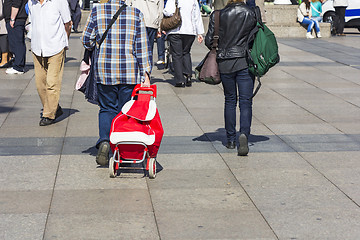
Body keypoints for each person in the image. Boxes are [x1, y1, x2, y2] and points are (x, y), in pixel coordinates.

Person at [82, 0, 152, 166]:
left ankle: (105, 141)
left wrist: (98, 42)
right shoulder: (135, 13)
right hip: (129, 72)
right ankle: (123, 147)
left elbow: (86, 40)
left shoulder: (96, 11)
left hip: (105, 70)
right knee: (126, 111)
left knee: (106, 108)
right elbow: (142, 46)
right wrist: (146, 73)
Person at [205, 0, 256, 156]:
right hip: (244, 61)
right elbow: (256, 38)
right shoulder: (250, 13)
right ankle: (244, 135)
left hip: (225, 63)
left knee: (230, 100)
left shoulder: (218, 15)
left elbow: (209, 41)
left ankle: (231, 139)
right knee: (246, 101)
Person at [28, 0, 72, 126]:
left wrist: (64, 43)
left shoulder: (59, 2)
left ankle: (49, 114)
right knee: (40, 84)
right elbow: (32, 22)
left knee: (52, 83)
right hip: (37, 48)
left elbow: (67, 24)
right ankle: (55, 108)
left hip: (56, 47)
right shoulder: (32, 3)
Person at [163, 0, 204, 87]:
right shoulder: (193, 1)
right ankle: (188, 74)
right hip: (190, 31)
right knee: (186, 52)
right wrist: (199, 32)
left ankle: (180, 79)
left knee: (177, 55)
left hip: (176, 30)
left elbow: (168, 11)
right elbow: (197, 16)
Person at [3, 0, 27, 74]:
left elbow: (16, 3)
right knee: (16, 42)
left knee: (17, 43)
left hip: (16, 19)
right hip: (15, 19)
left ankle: (18, 66)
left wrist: (12, 18)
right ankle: (18, 64)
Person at [0, 0, 12, 68]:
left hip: (2, 23)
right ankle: (9, 58)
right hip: (4, 22)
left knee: (3, 40)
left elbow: (1, 11)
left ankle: (5, 60)